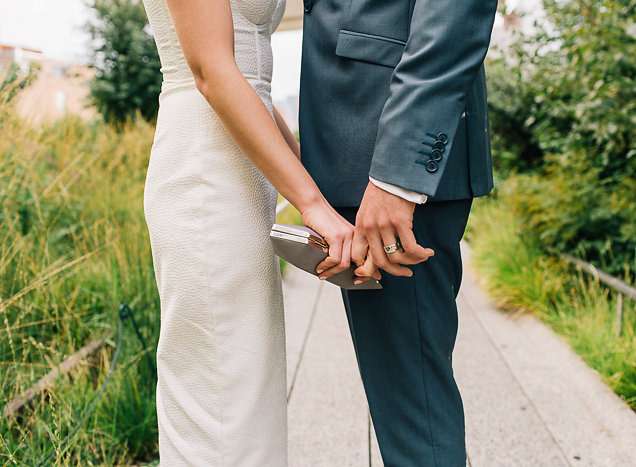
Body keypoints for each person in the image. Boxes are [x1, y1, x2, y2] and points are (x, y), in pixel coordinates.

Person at [140, 0, 371, 464]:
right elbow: (211, 73)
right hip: (204, 165)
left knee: (247, 379)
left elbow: (252, 88)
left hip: (242, 162)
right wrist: (312, 204)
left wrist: (315, 187)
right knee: (217, 384)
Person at [299, 0, 498, 464]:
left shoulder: (391, 177)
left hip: (385, 152)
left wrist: (396, 176)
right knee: (409, 402)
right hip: (359, 140)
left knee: (416, 417)